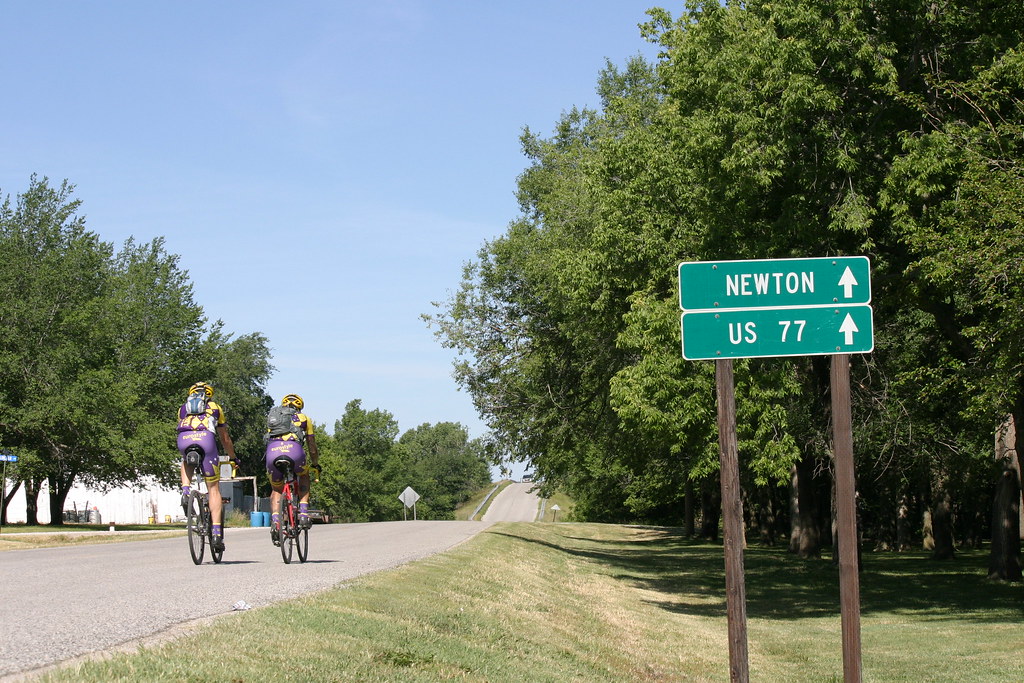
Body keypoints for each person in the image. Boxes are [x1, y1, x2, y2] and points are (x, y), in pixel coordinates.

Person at [176, 381, 239, 552]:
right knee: (213, 489)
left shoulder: (183, 408)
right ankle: (217, 534)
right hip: (206, 441)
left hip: (184, 440)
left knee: (185, 460)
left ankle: (186, 491)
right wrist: (233, 457)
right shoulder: (215, 408)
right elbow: (224, 438)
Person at [265, 393, 320, 545]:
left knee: (276, 489)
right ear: (299, 407)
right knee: (304, 475)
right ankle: (303, 512)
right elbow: (311, 445)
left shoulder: (274, 419)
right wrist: (315, 463)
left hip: (273, 453)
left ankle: (276, 522)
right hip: (295, 452)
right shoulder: (304, 418)